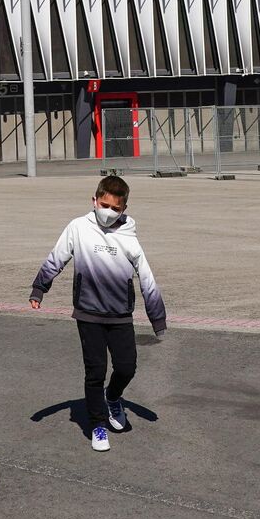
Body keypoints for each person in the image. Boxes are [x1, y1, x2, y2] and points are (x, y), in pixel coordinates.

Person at [29, 174, 168, 453]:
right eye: (104, 205)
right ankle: (98, 425)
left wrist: (157, 318)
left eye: (115, 209)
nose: (108, 212)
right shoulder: (78, 227)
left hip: (120, 315)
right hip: (88, 313)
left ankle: (114, 397)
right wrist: (39, 288)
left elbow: (147, 277)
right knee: (95, 371)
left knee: (127, 367)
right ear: (94, 201)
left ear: (124, 209)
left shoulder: (129, 237)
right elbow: (57, 257)